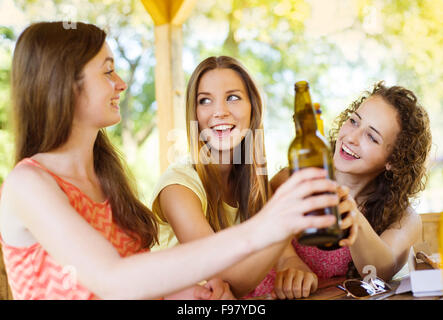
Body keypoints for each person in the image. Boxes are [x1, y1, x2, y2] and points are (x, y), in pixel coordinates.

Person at [0, 22, 340, 300]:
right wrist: (274, 224)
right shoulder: (28, 183)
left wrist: (184, 293)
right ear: (64, 84)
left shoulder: (107, 179)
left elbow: (138, 281)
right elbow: (114, 281)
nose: (121, 83)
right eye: (107, 72)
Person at [149, 56, 357, 299]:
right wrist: (288, 220)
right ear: (194, 113)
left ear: (252, 108)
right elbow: (231, 280)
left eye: (233, 97)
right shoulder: (178, 188)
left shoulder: (253, 183)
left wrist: (296, 271)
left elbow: (287, 258)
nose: (220, 112)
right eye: (205, 100)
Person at [270, 82, 432, 299]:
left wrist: (352, 214)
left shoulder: (404, 218)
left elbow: (378, 273)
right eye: (354, 121)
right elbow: (254, 220)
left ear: (393, 160)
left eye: (372, 137)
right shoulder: (291, 179)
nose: (351, 138)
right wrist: (289, 260)